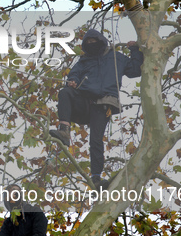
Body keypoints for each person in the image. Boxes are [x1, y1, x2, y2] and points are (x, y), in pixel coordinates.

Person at [48, 29, 144, 190]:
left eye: (94, 42)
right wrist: (72, 81)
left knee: (95, 141)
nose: (92, 45)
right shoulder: (84, 61)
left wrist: (135, 50)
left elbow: (135, 70)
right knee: (65, 92)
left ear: (101, 42)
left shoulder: (116, 58)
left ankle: (96, 179)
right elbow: (75, 75)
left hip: (104, 104)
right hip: (85, 101)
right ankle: (64, 130)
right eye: (88, 43)